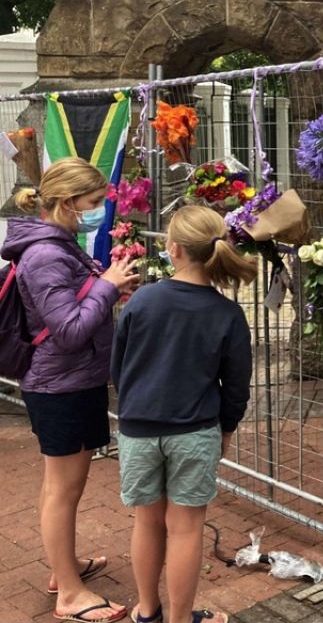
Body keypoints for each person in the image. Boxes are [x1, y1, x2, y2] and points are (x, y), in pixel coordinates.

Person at [1, 157, 139, 623]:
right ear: (67, 202)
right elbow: (70, 331)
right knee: (63, 489)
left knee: (60, 485)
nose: (100, 209)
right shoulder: (46, 255)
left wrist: (106, 287)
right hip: (61, 385)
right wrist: (107, 287)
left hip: (68, 380)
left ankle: (65, 568)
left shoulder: (58, 244)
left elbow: (72, 308)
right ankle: (70, 595)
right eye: (94, 201)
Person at [112, 205, 256, 623]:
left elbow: (119, 367)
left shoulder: (143, 299)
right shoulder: (228, 313)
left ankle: (147, 610)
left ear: (173, 249)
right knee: (186, 528)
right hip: (195, 431)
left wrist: (135, 403)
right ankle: (179, 619)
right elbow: (237, 384)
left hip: (139, 428)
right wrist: (226, 428)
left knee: (146, 522)